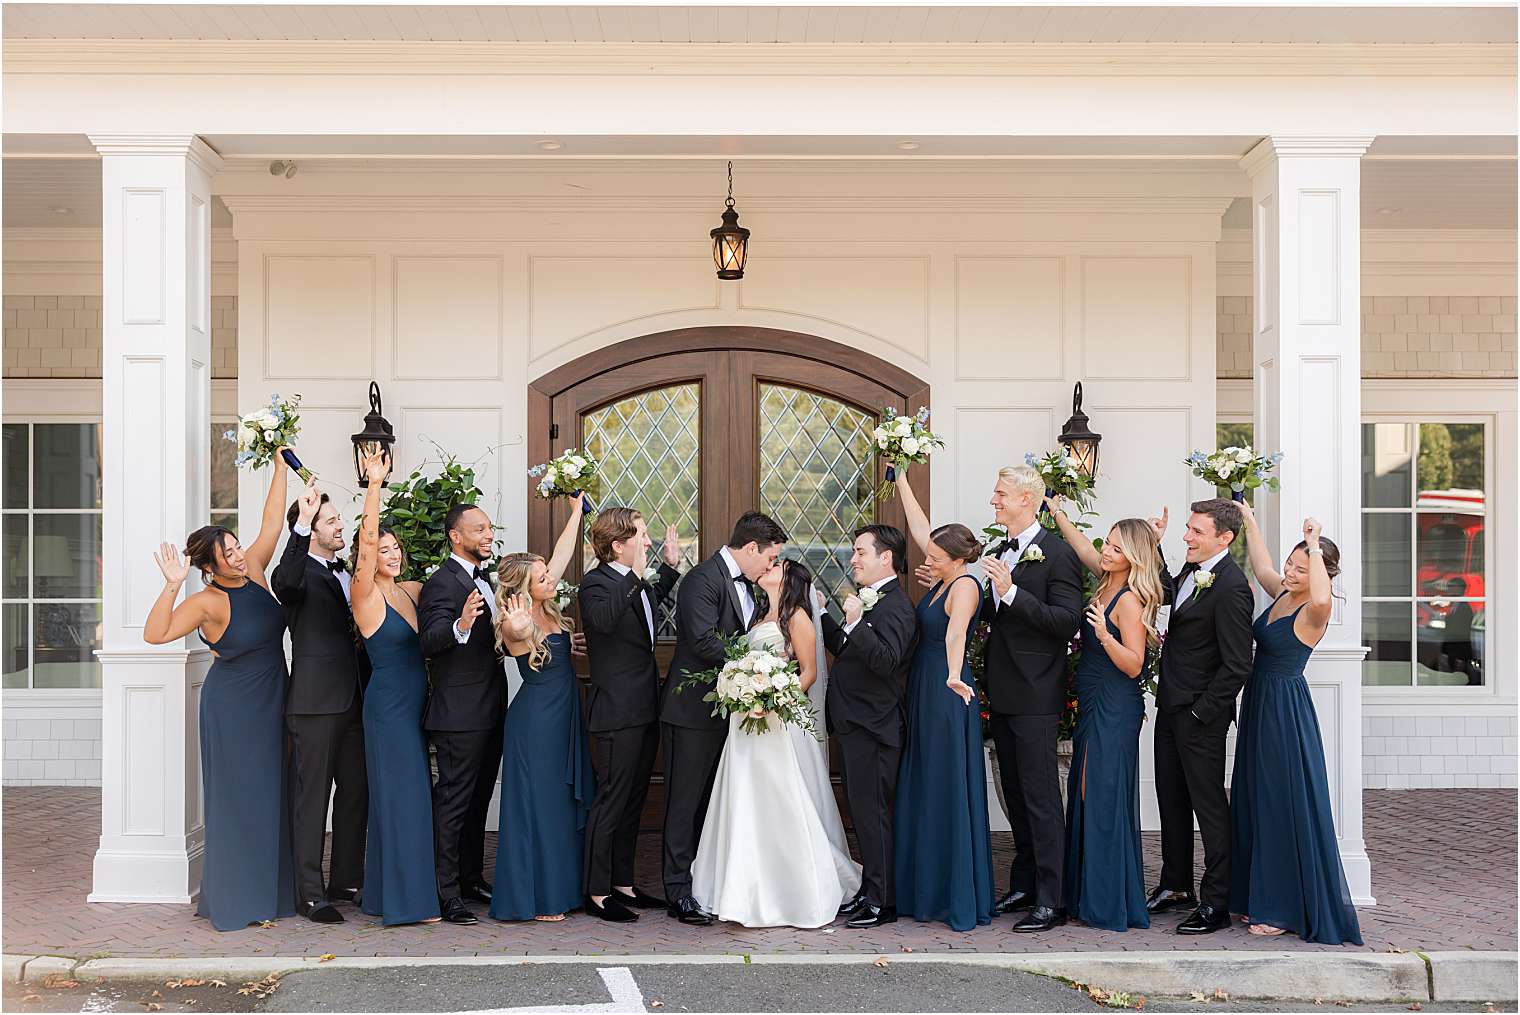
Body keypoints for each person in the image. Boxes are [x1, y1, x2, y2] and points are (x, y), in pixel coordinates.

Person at [143, 450, 296, 931]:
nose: (237, 554)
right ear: (208, 567)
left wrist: (279, 469)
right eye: (226, 552)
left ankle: (270, 894)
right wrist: (171, 584)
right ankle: (236, 900)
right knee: (237, 798)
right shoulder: (206, 600)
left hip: (274, 695)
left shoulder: (253, 568)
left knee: (273, 793)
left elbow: (273, 522)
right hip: (232, 707)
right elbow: (155, 634)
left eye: (234, 546)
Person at [691, 558, 862, 928]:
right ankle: (740, 888)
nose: (768, 566)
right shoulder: (757, 617)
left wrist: (773, 700)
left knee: (779, 798)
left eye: (776, 564)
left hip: (776, 723)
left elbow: (810, 672)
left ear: (789, 578)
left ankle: (791, 889)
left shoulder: (797, 616)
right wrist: (742, 694)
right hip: (744, 725)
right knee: (744, 799)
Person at [1230, 507, 1363, 945]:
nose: (1289, 571)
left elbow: (1323, 597)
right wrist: (1249, 518)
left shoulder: (1313, 611)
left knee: (1278, 803)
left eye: (1301, 567)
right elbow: (1264, 565)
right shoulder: (1283, 593)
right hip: (1259, 702)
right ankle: (1256, 895)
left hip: (1285, 710)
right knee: (1255, 797)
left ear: (1318, 572)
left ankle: (1282, 907)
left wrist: (1313, 543)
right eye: (1292, 562)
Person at [660, 511, 789, 926]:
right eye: (769, 559)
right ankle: (677, 890)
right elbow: (700, 640)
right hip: (692, 710)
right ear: (751, 548)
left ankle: (703, 883)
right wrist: (755, 664)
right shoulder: (702, 579)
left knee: (709, 805)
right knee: (684, 802)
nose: (771, 568)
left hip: (729, 712)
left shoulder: (749, 586)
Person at [1047, 501, 1165, 932]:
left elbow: (1134, 663)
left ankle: (1107, 900)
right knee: (1085, 791)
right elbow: (1083, 548)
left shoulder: (1129, 600)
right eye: (1108, 544)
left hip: (1116, 703)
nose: (1107, 551)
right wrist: (1058, 512)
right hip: (1095, 698)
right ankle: (1088, 894)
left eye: (1116, 547)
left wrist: (1101, 635)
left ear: (1132, 555)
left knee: (1103, 797)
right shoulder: (1105, 580)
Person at [979, 465, 1084, 933]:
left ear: (1029, 499)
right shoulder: (999, 550)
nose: (994, 501)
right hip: (1001, 689)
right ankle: (1023, 882)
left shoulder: (1058, 555)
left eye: (1001, 494)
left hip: (1037, 691)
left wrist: (1011, 590)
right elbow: (991, 614)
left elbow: (1066, 621)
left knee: (1041, 796)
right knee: (1017, 795)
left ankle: (1052, 897)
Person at [890, 467, 994, 932]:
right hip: (925, 687)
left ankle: (951, 893)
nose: (926, 558)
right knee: (926, 780)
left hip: (947, 691)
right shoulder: (941, 577)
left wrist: (953, 674)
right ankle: (924, 889)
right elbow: (919, 527)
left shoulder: (966, 587)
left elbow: (956, 633)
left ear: (955, 559)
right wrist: (901, 481)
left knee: (945, 784)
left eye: (935, 554)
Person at [1146, 498, 1255, 935]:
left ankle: (1217, 901)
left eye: (1196, 531)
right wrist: (1154, 546)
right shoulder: (1192, 572)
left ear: (1225, 538)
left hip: (1198, 718)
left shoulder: (1232, 588)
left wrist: (1199, 713)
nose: (1186, 536)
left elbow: (1237, 665)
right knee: (1171, 802)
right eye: (1187, 529)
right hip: (1170, 707)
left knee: (1209, 809)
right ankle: (1176, 885)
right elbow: (1169, 594)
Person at [491, 497, 595, 923]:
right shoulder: (517, 620)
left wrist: (576, 513)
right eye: (540, 577)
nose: (550, 576)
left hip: (563, 719)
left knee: (557, 808)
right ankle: (537, 898)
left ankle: (562, 891)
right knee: (539, 808)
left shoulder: (550, 611)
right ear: (522, 588)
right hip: (534, 727)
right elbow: (515, 636)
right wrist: (516, 626)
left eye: (547, 572)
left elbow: (562, 554)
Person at [578, 507, 684, 922]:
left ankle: (622, 883)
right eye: (640, 536)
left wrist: (668, 570)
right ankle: (596, 891)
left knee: (633, 800)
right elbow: (603, 622)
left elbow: (645, 607)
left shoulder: (632, 584)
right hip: (615, 712)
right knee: (611, 800)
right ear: (617, 544)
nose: (647, 542)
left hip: (644, 708)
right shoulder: (596, 585)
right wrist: (638, 576)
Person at [349, 450, 441, 926]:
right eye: (383, 550)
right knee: (404, 798)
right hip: (387, 709)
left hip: (415, 705)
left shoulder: (411, 590)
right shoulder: (364, 595)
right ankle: (410, 905)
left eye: (394, 548)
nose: (391, 553)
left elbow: (454, 589)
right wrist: (374, 486)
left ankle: (385, 893)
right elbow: (365, 544)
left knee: (406, 798)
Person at [270, 481, 368, 923]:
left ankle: (344, 880)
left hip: (355, 699)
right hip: (314, 703)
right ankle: (309, 893)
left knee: (355, 792)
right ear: (311, 529)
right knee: (313, 799)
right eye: (331, 521)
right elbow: (284, 583)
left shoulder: (342, 570)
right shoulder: (297, 573)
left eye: (336, 519)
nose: (339, 525)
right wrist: (304, 521)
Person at [821, 523, 919, 930]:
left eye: (860, 552)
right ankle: (869, 890)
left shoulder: (896, 607)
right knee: (862, 813)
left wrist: (857, 622)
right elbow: (849, 650)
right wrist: (818, 614)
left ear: (886, 558)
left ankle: (883, 900)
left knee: (873, 814)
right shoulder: (872, 603)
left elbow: (885, 661)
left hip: (875, 728)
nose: (853, 559)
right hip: (856, 724)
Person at [418, 503, 503, 925]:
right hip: (458, 715)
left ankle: (470, 877)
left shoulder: (486, 580)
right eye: (480, 529)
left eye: (489, 528)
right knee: (452, 805)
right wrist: (462, 624)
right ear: (456, 536)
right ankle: (445, 892)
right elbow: (430, 641)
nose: (488, 535)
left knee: (477, 803)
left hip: (490, 711)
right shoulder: (441, 583)